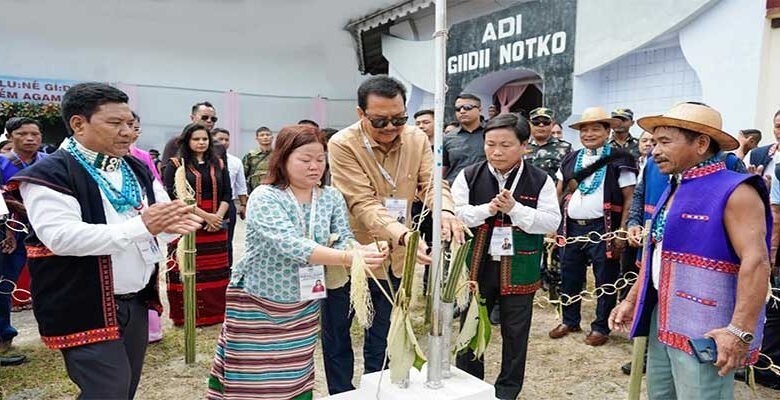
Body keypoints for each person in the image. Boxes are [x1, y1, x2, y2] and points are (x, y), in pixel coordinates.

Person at [11, 82, 201, 398]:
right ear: (78, 124)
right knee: (108, 390)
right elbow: (60, 237)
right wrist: (143, 226)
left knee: (125, 387)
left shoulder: (135, 166)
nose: (128, 132)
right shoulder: (50, 173)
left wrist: (174, 224)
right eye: (115, 123)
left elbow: (159, 223)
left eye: (130, 123)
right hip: (84, 302)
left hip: (135, 301)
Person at [207, 124, 387, 400]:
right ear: (283, 159)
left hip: (304, 303)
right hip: (259, 299)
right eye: (305, 160)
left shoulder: (330, 196)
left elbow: (342, 237)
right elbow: (290, 244)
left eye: (320, 159)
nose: (315, 167)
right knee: (253, 373)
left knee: (293, 372)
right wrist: (349, 257)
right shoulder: (265, 196)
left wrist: (365, 250)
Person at [610, 102, 770, 399]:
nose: (654, 150)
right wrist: (633, 299)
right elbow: (656, 251)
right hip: (663, 316)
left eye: (665, 141)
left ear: (701, 143)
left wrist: (738, 332)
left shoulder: (737, 191)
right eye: (654, 142)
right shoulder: (674, 187)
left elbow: (757, 262)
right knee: (660, 394)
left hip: (707, 330)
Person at [324, 75, 464, 395]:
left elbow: (431, 184)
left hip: (397, 257)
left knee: (386, 333)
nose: (390, 127)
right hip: (351, 254)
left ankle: (380, 391)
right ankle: (342, 393)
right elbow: (362, 203)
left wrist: (445, 211)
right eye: (380, 120)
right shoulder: (343, 144)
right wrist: (404, 235)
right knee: (338, 334)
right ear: (361, 114)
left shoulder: (416, 138)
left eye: (399, 118)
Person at [453, 113, 561, 400]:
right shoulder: (470, 175)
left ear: (524, 145)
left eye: (506, 145)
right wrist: (486, 210)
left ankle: (507, 391)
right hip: (476, 264)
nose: (496, 151)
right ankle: (468, 386)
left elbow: (551, 221)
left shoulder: (540, 180)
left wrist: (515, 209)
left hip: (520, 264)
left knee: (516, 333)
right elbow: (457, 213)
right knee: (471, 327)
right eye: (490, 144)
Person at [549, 107, 636, 346]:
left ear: (607, 131)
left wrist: (622, 231)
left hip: (604, 227)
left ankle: (601, 326)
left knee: (605, 278)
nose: (588, 134)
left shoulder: (622, 158)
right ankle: (569, 320)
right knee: (569, 274)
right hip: (572, 228)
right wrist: (552, 221)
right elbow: (559, 190)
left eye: (595, 128)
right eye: (584, 129)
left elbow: (629, 197)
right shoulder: (570, 157)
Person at [162, 123, 232, 327]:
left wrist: (217, 216)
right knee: (187, 268)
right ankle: (187, 317)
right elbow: (175, 196)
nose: (201, 143)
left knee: (216, 270)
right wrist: (205, 217)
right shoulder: (175, 165)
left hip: (216, 224)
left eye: (204, 139)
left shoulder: (218, 163)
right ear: (187, 141)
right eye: (196, 139)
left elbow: (227, 193)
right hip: (187, 222)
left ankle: (215, 315)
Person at [0, 117, 48, 367]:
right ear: (9, 136)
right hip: (10, 231)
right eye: (22, 133)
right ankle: (4, 336)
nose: (30, 138)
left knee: (49, 280)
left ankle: (52, 330)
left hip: (46, 229)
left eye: (35, 134)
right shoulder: (2, 163)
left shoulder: (49, 162)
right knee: (5, 283)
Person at [211, 127, 248, 267]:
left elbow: (241, 186)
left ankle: (227, 270)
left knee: (227, 240)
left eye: (227, 139)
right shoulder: (201, 160)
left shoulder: (235, 162)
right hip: (207, 205)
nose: (224, 142)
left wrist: (243, 205)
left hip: (228, 205)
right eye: (220, 139)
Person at [443, 93, 487, 184]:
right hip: (455, 188)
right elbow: (443, 168)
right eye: (458, 109)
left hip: (486, 186)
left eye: (467, 107)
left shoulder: (491, 133)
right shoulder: (448, 138)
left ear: (479, 109)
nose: (462, 111)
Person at [161, 101, 219, 167]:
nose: (209, 121)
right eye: (204, 117)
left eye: (213, 119)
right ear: (192, 118)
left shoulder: (218, 146)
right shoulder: (176, 142)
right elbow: (165, 170)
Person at [525, 107, 572, 180]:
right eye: (536, 122)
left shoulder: (565, 148)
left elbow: (570, 177)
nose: (541, 125)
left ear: (552, 124)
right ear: (529, 124)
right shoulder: (521, 146)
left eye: (546, 122)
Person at [243, 126, 273, 194]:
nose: (265, 137)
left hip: (274, 191)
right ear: (257, 138)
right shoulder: (251, 155)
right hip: (255, 191)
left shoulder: (278, 155)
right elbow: (243, 176)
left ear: (272, 137)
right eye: (262, 135)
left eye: (268, 135)